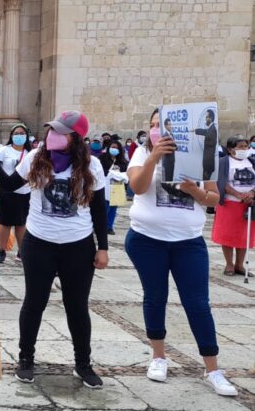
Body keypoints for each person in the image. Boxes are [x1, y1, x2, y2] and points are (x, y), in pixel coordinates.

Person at [0, 110, 109, 388]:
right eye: (52, 129)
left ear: (76, 138)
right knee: (34, 302)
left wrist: (102, 248)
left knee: (77, 307)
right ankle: (25, 359)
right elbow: (8, 185)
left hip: (78, 246)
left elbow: (99, 210)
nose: (52, 135)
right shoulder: (36, 157)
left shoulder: (92, 166)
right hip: (38, 243)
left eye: (60, 131)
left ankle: (83, 363)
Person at [124, 109, 237, 396]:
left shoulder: (201, 154)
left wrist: (194, 190)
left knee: (198, 303)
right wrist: (153, 157)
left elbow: (213, 198)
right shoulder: (142, 152)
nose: (154, 130)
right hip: (147, 239)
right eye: (151, 126)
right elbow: (137, 187)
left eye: (159, 125)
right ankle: (158, 357)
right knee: (155, 296)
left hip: (188, 241)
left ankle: (213, 369)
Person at [213, 136, 255, 276]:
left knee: (244, 236)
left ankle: (240, 265)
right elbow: (220, 182)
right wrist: (238, 195)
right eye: (241, 147)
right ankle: (229, 264)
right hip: (230, 204)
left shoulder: (251, 162)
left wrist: (251, 193)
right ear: (231, 150)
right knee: (228, 235)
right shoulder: (223, 162)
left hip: (248, 204)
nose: (244, 149)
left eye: (246, 147)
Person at [0, 124, 32, 263]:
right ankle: (2, 251)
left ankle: (21, 252)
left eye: (22, 133)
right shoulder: (5, 150)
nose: (19, 136)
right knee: (5, 223)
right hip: (7, 192)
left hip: (25, 192)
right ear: (12, 135)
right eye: (16, 133)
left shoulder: (30, 153)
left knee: (21, 223)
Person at [99, 138, 129, 234]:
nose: (114, 149)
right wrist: (113, 173)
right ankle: (101, 226)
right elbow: (102, 171)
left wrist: (114, 173)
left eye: (116, 147)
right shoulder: (103, 158)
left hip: (117, 186)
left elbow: (125, 172)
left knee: (113, 208)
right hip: (106, 186)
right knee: (105, 208)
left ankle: (109, 227)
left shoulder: (122, 160)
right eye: (112, 147)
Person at [194, 109, 218, 180]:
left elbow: (211, 141)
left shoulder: (213, 129)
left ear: (210, 118)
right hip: (207, 163)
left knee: (206, 182)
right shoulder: (210, 128)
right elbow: (205, 132)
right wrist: (195, 130)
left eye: (207, 117)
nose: (206, 119)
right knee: (205, 181)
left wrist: (198, 131)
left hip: (209, 163)